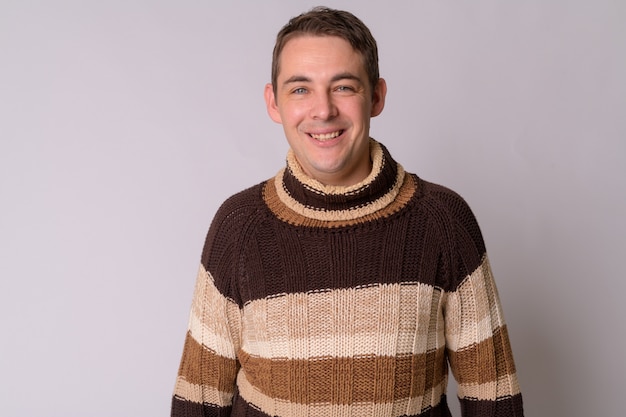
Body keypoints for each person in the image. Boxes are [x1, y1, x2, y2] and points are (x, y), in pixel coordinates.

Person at [171, 6, 524, 417]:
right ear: (274, 102)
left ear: (376, 96)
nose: (322, 110)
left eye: (343, 87)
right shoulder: (239, 226)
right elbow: (198, 401)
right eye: (300, 89)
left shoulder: (443, 220)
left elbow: (495, 398)